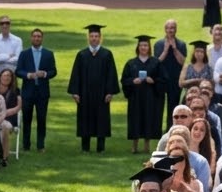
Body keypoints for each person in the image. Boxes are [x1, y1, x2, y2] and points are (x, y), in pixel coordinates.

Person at [67, 24, 119, 154]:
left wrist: (110, 92)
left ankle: (101, 147)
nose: (94, 38)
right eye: (92, 36)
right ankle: (85, 147)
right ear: (88, 38)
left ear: (100, 38)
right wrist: (75, 92)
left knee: (101, 119)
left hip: (102, 94)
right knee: (85, 118)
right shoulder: (82, 55)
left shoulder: (107, 54)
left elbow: (111, 74)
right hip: (85, 94)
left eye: (96, 36)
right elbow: (76, 74)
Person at [16, 28, 56, 153]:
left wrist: (45, 74)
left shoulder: (48, 54)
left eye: (39, 36)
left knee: (41, 119)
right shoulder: (24, 54)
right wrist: (28, 75)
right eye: (34, 36)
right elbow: (18, 71)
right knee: (26, 119)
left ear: (42, 38)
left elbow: (53, 71)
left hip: (42, 92)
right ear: (31, 38)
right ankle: (26, 145)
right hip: (28, 91)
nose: (36, 38)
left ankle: (40, 145)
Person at [122, 36, 163, 155]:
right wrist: (132, 81)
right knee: (135, 119)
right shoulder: (131, 63)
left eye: (145, 45)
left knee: (148, 119)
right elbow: (124, 80)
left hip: (150, 98)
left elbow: (162, 79)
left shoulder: (155, 63)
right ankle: (134, 145)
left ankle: (146, 145)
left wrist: (153, 81)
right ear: (138, 47)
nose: (143, 48)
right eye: (141, 45)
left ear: (149, 47)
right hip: (135, 97)